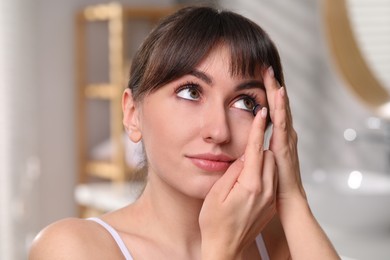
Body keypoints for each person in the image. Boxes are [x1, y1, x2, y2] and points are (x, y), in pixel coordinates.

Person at [29, 5, 340, 260]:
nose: (219, 131)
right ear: (133, 114)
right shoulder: (74, 248)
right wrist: (221, 252)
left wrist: (292, 196)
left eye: (245, 102)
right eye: (190, 92)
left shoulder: (277, 240)